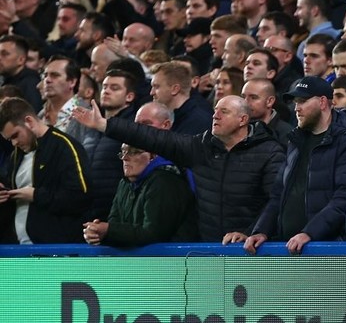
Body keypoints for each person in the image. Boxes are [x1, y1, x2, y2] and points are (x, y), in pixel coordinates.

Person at [72, 94, 286, 243]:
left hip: (252, 251)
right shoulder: (201, 147)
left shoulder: (269, 152)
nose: (215, 115)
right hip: (208, 251)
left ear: (243, 120)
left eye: (224, 111)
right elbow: (152, 137)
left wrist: (250, 232)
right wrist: (105, 125)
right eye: (215, 111)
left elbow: (276, 201)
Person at [224, 77, 346, 255]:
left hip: (327, 250)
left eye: (303, 101)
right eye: (296, 102)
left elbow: (345, 197)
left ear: (322, 102)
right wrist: (261, 231)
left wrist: (309, 233)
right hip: (288, 247)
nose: (297, 108)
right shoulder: (296, 141)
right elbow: (279, 195)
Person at [0, 97, 91, 243]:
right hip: (19, 249)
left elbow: (80, 198)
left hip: (56, 250)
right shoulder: (16, 156)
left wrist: (36, 195)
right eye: (9, 139)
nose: (14, 143)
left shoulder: (65, 147)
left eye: (15, 135)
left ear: (29, 122)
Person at [82, 142, 198, 246]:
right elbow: (115, 222)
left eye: (134, 152)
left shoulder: (164, 181)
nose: (125, 158)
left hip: (171, 263)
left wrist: (108, 230)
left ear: (152, 156)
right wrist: (97, 233)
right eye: (123, 152)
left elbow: (153, 234)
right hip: (138, 263)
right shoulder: (125, 183)